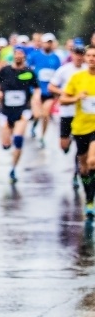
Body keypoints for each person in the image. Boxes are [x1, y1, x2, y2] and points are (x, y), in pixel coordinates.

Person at [0, 46, 40, 183]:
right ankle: (7, 144)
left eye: (21, 54)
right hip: (6, 111)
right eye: (16, 54)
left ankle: (13, 168)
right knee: (6, 144)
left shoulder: (29, 72)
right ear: (13, 55)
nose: (18, 56)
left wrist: (36, 100)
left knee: (18, 139)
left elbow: (36, 88)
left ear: (24, 56)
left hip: (22, 110)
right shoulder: (5, 71)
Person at [60, 46, 95, 218]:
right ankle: (89, 197)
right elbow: (63, 99)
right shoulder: (77, 77)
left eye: (94, 55)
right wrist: (76, 98)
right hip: (81, 126)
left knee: (92, 161)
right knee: (84, 167)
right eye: (89, 55)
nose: (91, 58)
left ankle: (91, 198)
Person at [50, 42, 87, 189]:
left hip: (82, 113)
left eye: (81, 54)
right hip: (66, 112)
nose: (79, 57)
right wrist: (65, 94)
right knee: (64, 146)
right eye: (76, 54)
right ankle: (69, 142)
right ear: (72, 55)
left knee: (80, 148)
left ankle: (76, 174)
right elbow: (51, 86)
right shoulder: (64, 70)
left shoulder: (88, 71)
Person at [28, 32, 62, 147]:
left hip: (49, 92)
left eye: (50, 42)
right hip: (36, 90)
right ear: (42, 43)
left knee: (46, 114)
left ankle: (42, 137)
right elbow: (27, 71)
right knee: (37, 115)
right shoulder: (34, 56)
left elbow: (59, 75)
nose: (48, 44)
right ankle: (33, 126)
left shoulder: (56, 58)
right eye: (47, 42)